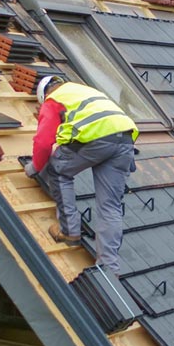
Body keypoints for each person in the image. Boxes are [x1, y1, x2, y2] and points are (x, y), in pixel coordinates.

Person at [24, 76, 138, 275]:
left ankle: (69, 231)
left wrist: (34, 167)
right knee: (110, 206)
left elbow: (43, 142)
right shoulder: (84, 91)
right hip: (125, 141)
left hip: (96, 140)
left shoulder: (53, 100)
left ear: (44, 95)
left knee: (58, 170)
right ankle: (108, 268)